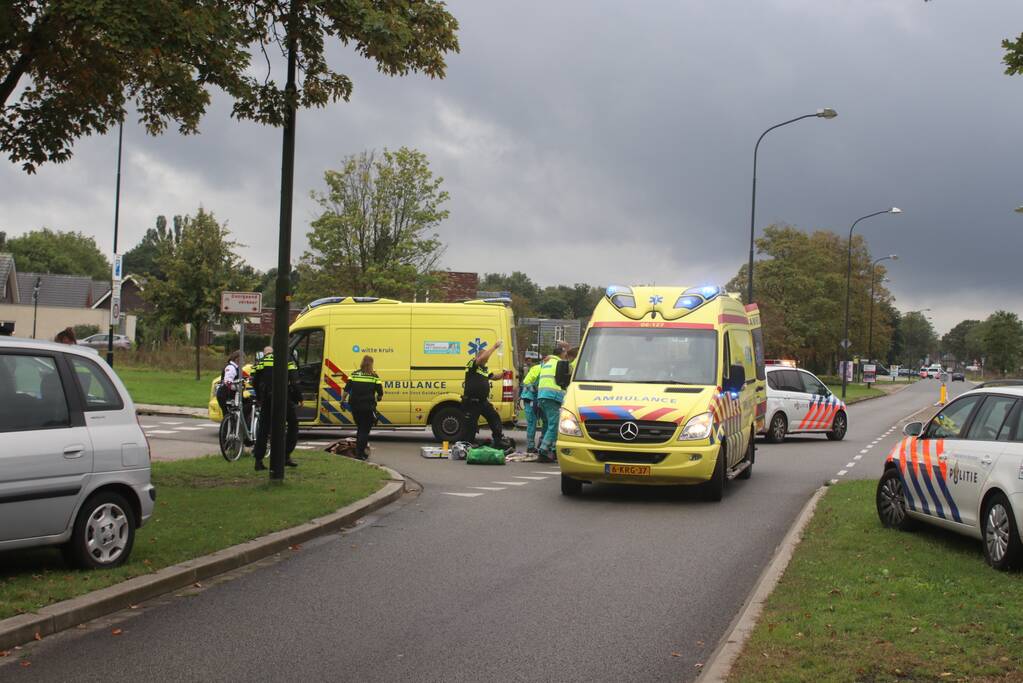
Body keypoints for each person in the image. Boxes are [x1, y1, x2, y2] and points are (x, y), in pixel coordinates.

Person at [250, 347, 301, 471]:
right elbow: (295, 381)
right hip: (283, 397)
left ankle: (258, 460)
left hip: (267, 397)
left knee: (263, 428)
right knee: (293, 423)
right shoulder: (287, 359)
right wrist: (298, 397)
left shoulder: (263, 361)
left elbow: (255, 381)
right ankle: (286, 455)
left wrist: (259, 396)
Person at [461, 339, 507, 446]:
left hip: (482, 402)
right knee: (470, 425)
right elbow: (482, 358)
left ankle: (498, 439)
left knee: (494, 418)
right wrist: (494, 347)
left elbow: (493, 377)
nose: (486, 362)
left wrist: (503, 374)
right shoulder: (472, 363)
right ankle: (467, 444)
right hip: (472, 402)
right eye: (485, 360)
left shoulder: (484, 369)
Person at [342, 355, 383, 460]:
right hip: (368, 407)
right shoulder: (374, 377)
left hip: (355, 406)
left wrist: (342, 401)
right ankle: (359, 454)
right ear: (371, 364)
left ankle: (360, 452)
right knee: (364, 431)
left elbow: (346, 390)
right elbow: (380, 394)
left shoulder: (354, 375)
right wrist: (378, 398)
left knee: (360, 428)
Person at [536, 342, 571, 463]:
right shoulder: (560, 363)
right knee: (554, 425)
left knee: (549, 424)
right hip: (553, 396)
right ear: (561, 354)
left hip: (542, 396)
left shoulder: (547, 363)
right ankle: (544, 451)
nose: (566, 355)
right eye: (565, 353)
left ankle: (552, 449)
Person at [520, 358, 543, 454]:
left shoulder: (539, 368)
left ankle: (539, 445)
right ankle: (531, 446)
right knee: (532, 422)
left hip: (537, 397)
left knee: (535, 422)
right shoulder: (538, 368)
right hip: (531, 398)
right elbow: (526, 382)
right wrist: (535, 389)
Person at [216, 350, 242, 416]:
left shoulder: (236, 368)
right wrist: (238, 387)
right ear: (237, 359)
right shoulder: (231, 368)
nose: (244, 361)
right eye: (243, 359)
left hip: (228, 394)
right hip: (225, 394)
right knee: (227, 415)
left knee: (230, 415)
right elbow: (228, 382)